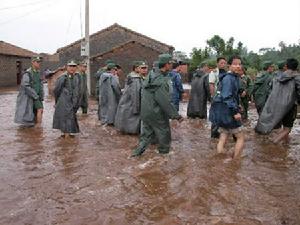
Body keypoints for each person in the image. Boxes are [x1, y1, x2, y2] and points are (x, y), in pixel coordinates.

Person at [131, 54, 183, 157]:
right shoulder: (161, 81)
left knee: (146, 136)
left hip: (146, 112)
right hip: (157, 113)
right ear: (166, 65)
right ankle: (164, 157)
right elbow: (164, 102)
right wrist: (176, 116)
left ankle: (135, 154)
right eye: (170, 63)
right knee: (164, 134)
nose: (172, 65)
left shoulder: (151, 74)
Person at [256, 58, 300, 142]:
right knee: (287, 129)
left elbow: (271, 90)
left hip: (276, 106)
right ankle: (274, 142)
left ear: (286, 66)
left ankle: (285, 144)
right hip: (290, 106)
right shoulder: (297, 77)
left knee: (279, 127)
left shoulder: (277, 77)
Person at [209, 56, 244, 159]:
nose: (238, 66)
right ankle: (235, 161)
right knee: (241, 137)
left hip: (222, 112)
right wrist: (235, 112)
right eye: (235, 64)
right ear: (229, 66)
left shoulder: (228, 77)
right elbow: (227, 96)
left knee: (223, 136)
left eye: (239, 64)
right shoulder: (229, 78)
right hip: (228, 112)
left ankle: (220, 158)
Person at [115, 61, 147, 134]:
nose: (144, 70)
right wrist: (137, 108)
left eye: (145, 68)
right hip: (131, 103)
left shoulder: (135, 77)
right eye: (142, 68)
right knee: (131, 120)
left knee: (125, 118)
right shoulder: (135, 79)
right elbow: (135, 94)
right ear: (136, 69)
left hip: (127, 102)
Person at [53, 60, 81, 138]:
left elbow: (77, 90)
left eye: (74, 66)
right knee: (66, 118)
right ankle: (66, 139)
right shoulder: (63, 77)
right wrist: (58, 101)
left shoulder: (76, 76)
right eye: (70, 66)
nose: (72, 68)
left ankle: (66, 136)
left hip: (72, 101)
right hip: (64, 101)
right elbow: (56, 90)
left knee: (70, 118)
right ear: (67, 67)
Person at [15, 56, 44, 126]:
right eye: (37, 62)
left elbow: (40, 84)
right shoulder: (27, 73)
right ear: (33, 63)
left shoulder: (38, 72)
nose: (39, 63)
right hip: (30, 96)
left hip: (37, 96)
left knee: (36, 110)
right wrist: (35, 95)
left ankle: (35, 126)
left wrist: (41, 95)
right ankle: (39, 128)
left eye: (39, 62)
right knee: (39, 109)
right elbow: (25, 86)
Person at [209, 57, 227, 138]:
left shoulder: (227, 73)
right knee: (216, 116)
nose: (223, 65)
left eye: (224, 63)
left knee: (224, 116)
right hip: (217, 97)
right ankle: (214, 135)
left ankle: (223, 134)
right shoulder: (214, 72)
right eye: (221, 63)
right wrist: (213, 97)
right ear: (217, 64)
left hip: (225, 98)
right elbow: (211, 85)